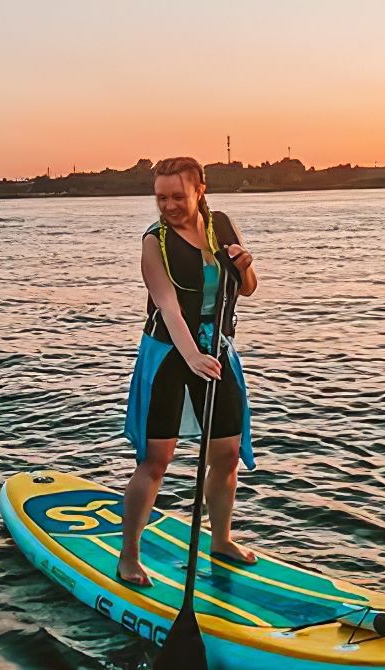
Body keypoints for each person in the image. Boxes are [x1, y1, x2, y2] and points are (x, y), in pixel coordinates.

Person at [119, 157, 258, 587]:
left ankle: (221, 540)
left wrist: (244, 265)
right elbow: (168, 306)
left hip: (217, 350)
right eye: (161, 198)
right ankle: (128, 555)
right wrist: (192, 356)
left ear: (200, 190)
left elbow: (248, 288)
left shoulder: (222, 225)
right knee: (156, 460)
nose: (169, 206)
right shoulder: (154, 242)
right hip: (168, 354)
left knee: (226, 455)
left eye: (178, 196)